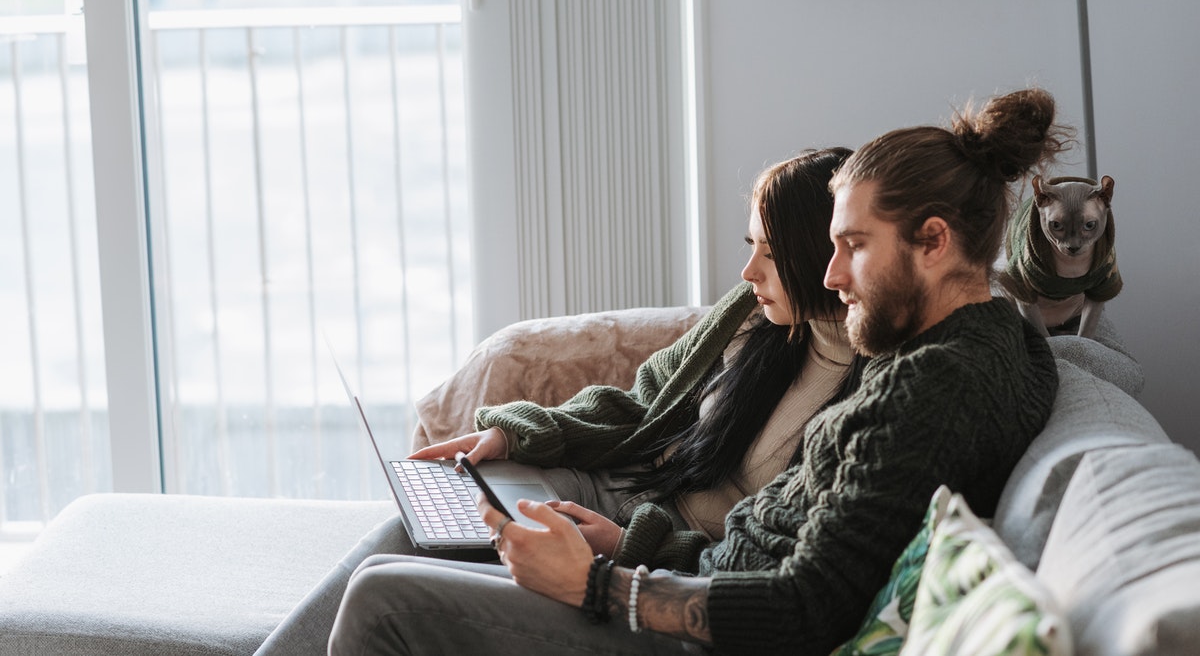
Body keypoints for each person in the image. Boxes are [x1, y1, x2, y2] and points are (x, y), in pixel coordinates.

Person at [328, 88, 1069, 655]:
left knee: (381, 598)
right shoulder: (977, 340)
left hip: (683, 627)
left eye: (854, 246)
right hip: (680, 573)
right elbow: (762, 545)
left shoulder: (936, 384)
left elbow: (806, 606)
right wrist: (622, 548)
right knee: (420, 539)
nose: (833, 272)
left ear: (934, 241)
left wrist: (597, 581)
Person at [258, 147, 862, 655]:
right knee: (420, 527)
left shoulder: (866, 401)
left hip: (661, 564)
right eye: (749, 244)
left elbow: (760, 574)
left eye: (770, 253)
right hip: (620, 494)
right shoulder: (759, 318)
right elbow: (641, 404)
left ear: (823, 256)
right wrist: (517, 436)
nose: (748, 270)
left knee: (379, 592)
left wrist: (623, 546)